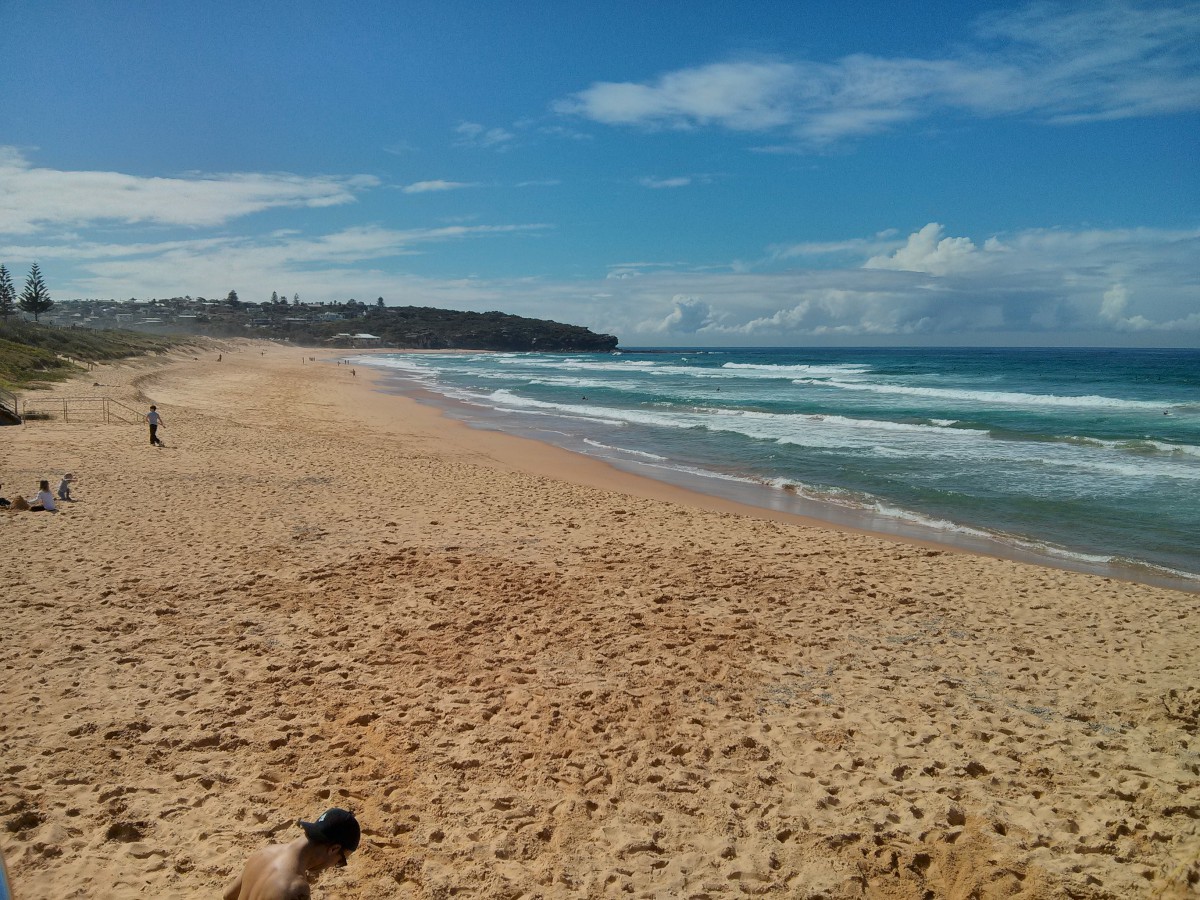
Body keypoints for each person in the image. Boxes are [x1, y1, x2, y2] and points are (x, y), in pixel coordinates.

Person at [223, 808, 360, 900]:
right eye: (340, 861)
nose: (334, 865)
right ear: (334, 849)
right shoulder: (296, 888)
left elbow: (228, 896)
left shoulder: (262, 854)